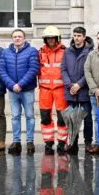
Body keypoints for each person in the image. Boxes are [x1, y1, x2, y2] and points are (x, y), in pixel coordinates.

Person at [0, 29, 39, 155]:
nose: (17, 38)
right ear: (12, 38)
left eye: (19, 36)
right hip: (13, 91)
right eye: (15, 36)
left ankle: (30, 141)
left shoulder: (32, 51)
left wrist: (20, 84)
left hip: (27, 90)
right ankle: (16, 142)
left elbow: (33, 69)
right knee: (15, 117)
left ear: (24, 38)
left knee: (30, 116)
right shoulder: (5, 53)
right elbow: (2, 70)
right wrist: (12, 85)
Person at [62, 26, 93, 154]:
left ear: (84, 37)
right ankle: (73, 143)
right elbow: (63, 69)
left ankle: (87, 143)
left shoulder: (91, 52)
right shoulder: (67, 51)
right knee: (71, 118)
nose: (76, 38)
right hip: (71, 91)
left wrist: (79, 85)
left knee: (87, 118)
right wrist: (70, 85)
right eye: (75, 35)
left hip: (84, 90)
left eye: (79, 36)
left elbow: (91, 71)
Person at [38, 27, 68, 155]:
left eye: (53, 38)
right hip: (45, 90)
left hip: (60, 89)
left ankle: (62, 142)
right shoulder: (40, 53)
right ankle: (48, 143)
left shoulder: (65, 52)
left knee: (62, 118)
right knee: (45, 117)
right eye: (48, 38)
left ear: (57, 39)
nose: (50, 40)